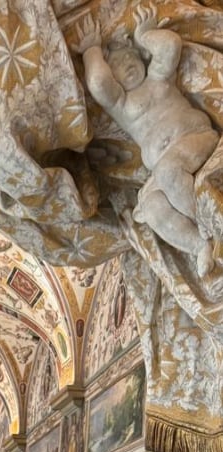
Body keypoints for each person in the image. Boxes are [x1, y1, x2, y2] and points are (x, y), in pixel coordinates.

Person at [77, 8, 219, 275]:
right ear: (114, 80)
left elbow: (170, 46)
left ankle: (210, 224)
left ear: (141, 57)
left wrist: (145, 35)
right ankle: (199, 245)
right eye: (117, 66)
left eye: (129, 58)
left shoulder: (158, 79)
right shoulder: (123, 105)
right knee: (152, 210)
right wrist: (91, 51)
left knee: (168, 171)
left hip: (194, 139)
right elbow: (97, 83)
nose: (126, 65)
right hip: (165, 171)